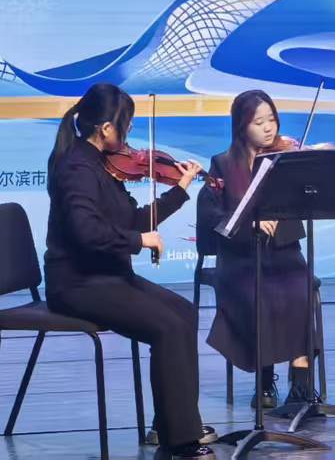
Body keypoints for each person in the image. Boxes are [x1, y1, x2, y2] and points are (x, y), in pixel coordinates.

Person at [44, 83, 213, 459]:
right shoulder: (77, 168)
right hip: (77, 282)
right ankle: (179, 442)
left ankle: (174, 422)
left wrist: (180, 189)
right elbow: (87, 233)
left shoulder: (101, 164)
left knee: (183, 313)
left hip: (107, 275)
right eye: (127, 124)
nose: (131, 132)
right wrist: (139, 241)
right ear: (106, 128)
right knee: (167, 327)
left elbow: (133, 219)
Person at [204, 90, 321, 414]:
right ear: (242, 126)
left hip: (284, 251)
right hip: (241, 256)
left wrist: (316, 166)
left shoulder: (285, 158)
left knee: (300, 289)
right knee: (260, 294)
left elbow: (307, 197)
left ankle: (301, 378)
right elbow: (212, 216)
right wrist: (249, 223)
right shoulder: (222, 164)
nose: (269, 128)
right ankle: (264, 376)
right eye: (259, 122)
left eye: (272, 120)